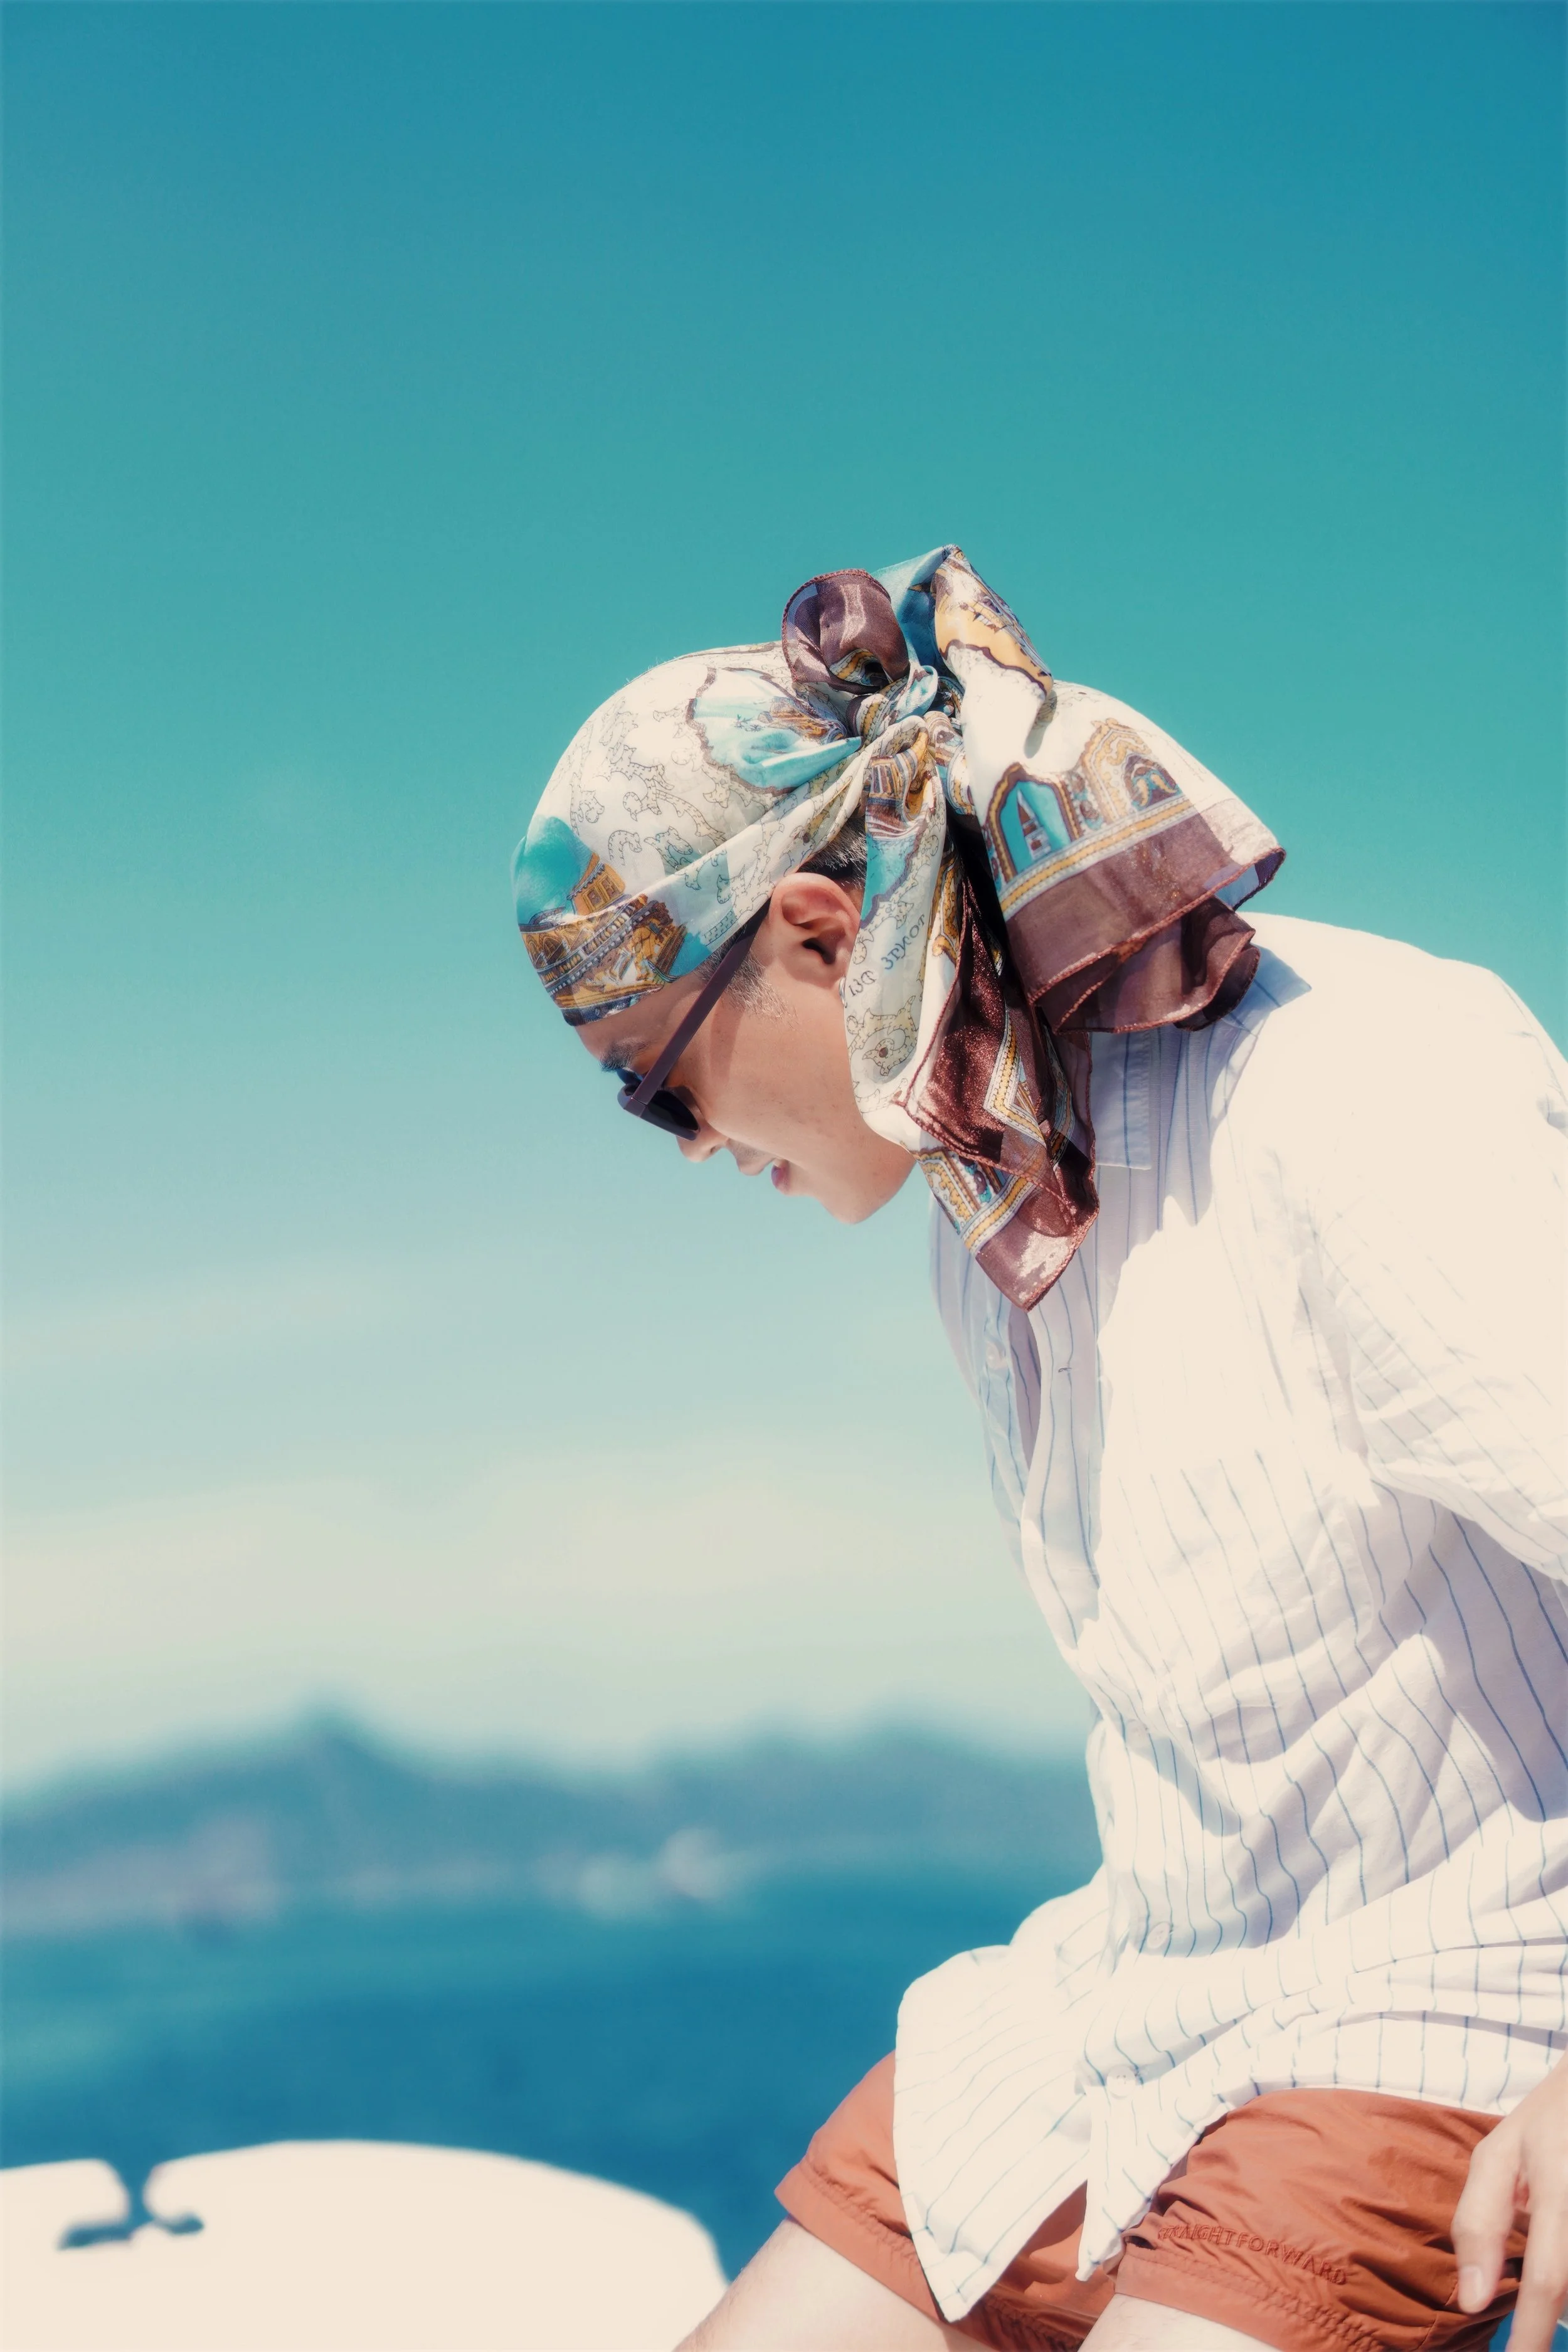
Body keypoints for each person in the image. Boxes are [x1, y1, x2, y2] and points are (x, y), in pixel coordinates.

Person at [511, 548, 1568, 2352]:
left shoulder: (1350, 1082)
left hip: (1450, 1994)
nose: (681, 1144)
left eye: (649, 1075)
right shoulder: (985, 1198)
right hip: (1130, 1997)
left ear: (823, 934)